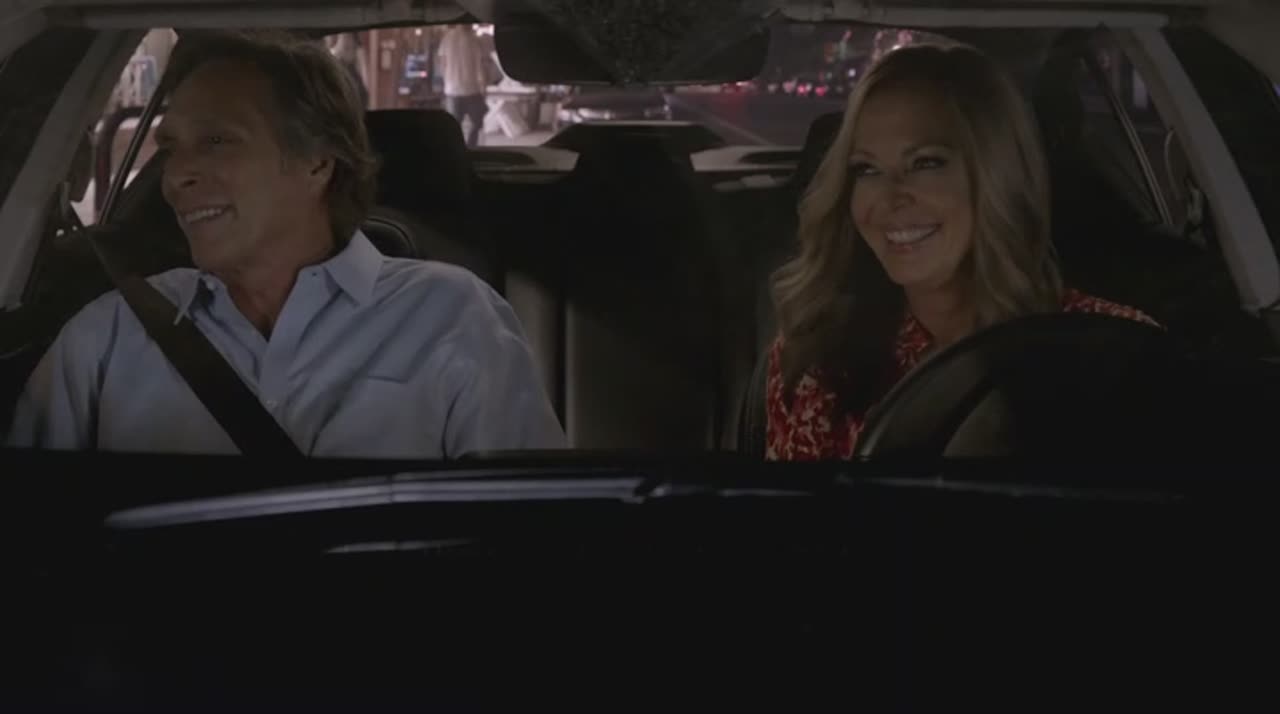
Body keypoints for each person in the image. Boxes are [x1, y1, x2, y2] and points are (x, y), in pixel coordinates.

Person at [6, 30, 565, 458]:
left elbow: (531, 535)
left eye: (217, 140)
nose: (174, 177)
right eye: (171, 147)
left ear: (317, 161)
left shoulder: (452, 319)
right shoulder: (105, 339)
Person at [765, 42, 1155, 461]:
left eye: (925, 163)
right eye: (867, 169)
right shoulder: (820, 359)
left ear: (995, 175)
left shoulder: (1117, 350)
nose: (890, 198)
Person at [436, 24, 491, 147]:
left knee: (454, 125)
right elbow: (481, 66)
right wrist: (484, 86)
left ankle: (458, 148)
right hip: (472, 89)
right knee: (478, 121)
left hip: (453, 90)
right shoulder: (474, 40)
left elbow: (442, 64)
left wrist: (447, 80)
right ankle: (470, 146)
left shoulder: (447, 39)